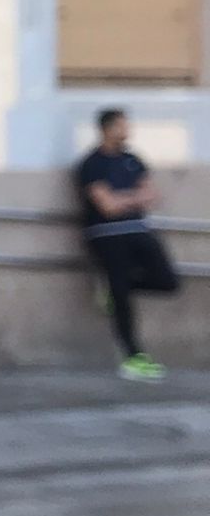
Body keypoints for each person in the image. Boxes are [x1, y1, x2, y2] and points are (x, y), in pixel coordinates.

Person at [78, 108, 179, 382]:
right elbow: (107, 206)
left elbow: (153, 196)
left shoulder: (133, 160)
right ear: (106, 129)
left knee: (168, 281)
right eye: (121, 126)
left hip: (139, 229)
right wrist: (134, 198)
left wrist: (125, 198)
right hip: (107, 233)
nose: (127, 130)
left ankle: (112, 287)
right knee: (122, 298)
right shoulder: (92, 164)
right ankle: (133, 357)